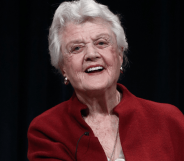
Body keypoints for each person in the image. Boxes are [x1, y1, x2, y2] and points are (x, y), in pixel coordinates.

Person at [27, 0, 184, 160]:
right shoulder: (46, 131)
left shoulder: (170, 121)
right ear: (63, 68)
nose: (91, 54)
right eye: (76, 48)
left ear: (120, 55)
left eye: (101, 43)